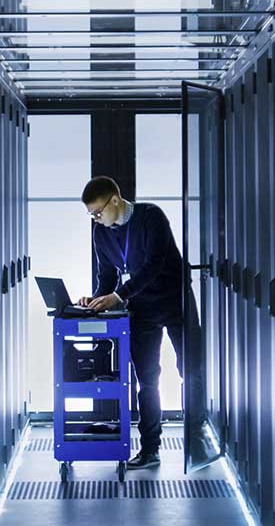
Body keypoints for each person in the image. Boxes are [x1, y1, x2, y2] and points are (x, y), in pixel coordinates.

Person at [78, 176, 206, 470]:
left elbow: (154, 264)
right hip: (142, 308)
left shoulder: (151, 217)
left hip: (176, 302)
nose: (96, 220)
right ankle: (150, 449)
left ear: (114, 200)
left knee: (190, 370)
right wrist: (95, 301)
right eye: (91, 216)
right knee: (147, 379)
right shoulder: (101, 233)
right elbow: (107, 277)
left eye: (98, 212)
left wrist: (118, 296)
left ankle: (196, 438)